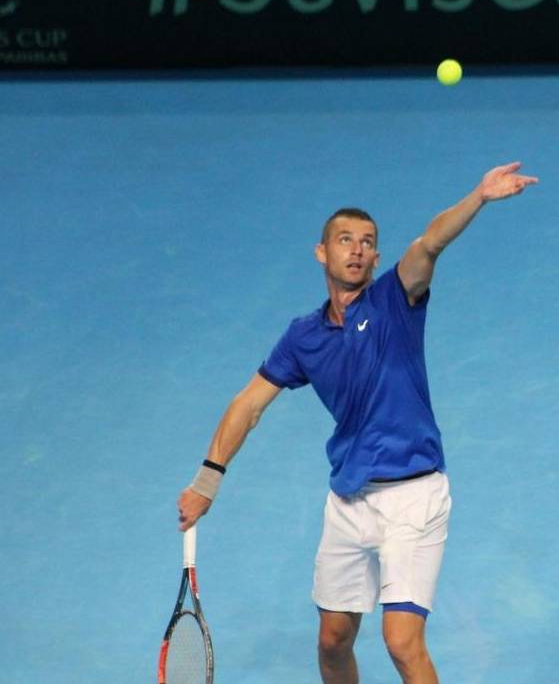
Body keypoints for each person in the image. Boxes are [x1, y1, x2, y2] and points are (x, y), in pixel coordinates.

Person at [177, 162, 539, 683]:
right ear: (321, 252)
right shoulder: (303, 337)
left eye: (368, 242)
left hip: (414, 496)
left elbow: (430, 243)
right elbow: (249, 404)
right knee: (333, 641)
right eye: (344, 240)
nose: (357, 250)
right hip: (349, 500)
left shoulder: (396, 298)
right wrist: (207, 480)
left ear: (377, 257)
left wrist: (478, 196)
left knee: (402, 642)